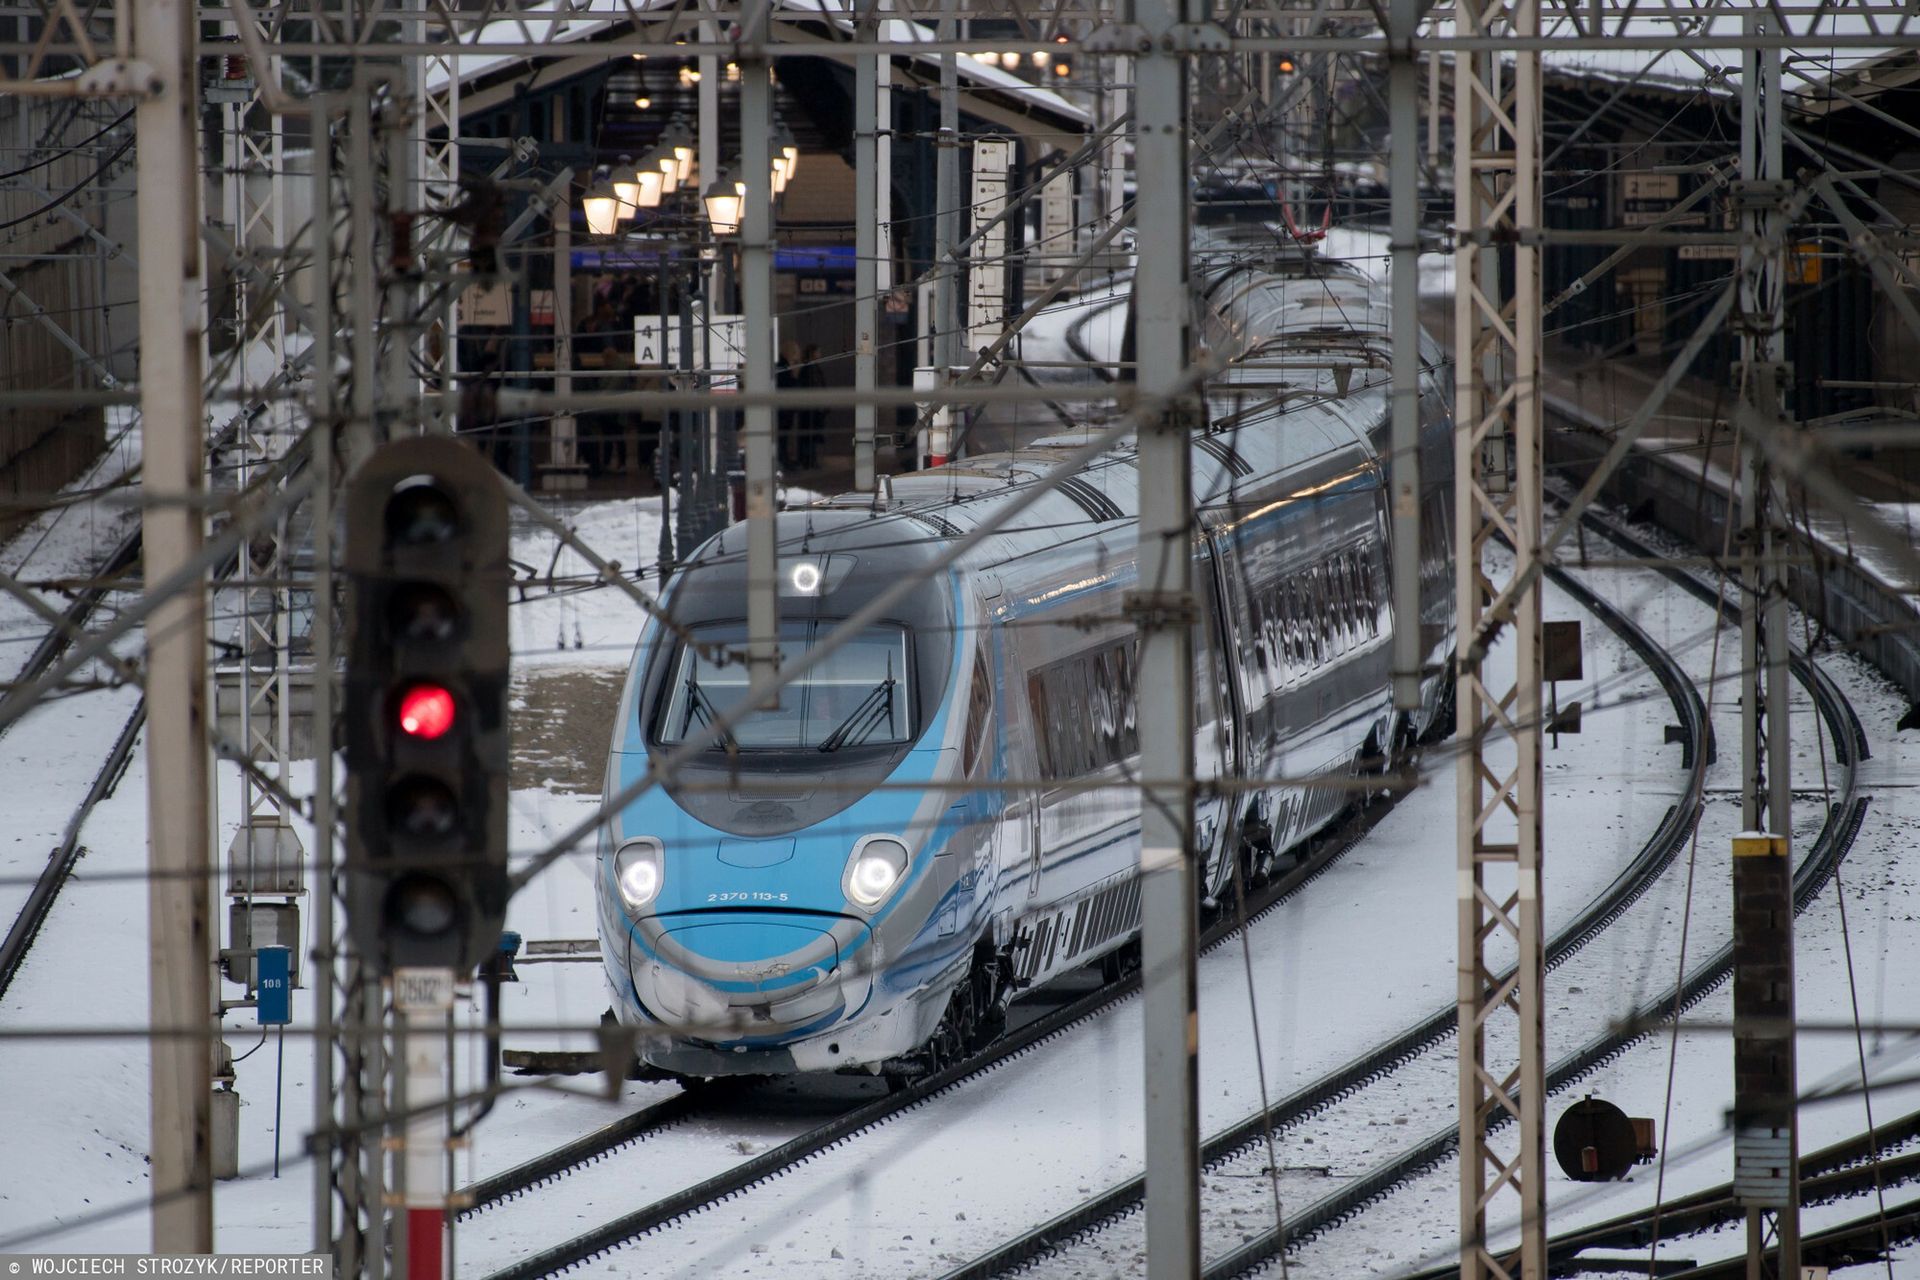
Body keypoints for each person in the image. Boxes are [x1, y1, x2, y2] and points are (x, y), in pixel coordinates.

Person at [798, 344, 827, 469]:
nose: (819, 354)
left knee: (812, 436)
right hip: (810, 409)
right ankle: (808, 461)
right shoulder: (809, 369)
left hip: (814, 409)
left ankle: (811, 460)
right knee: (809, 436)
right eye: (818, 352)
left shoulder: (813, 368)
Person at [776, 343, 799, 470]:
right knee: (782, 438)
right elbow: (788, 385)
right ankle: (783, 461)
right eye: (795, 353)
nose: (796, 356)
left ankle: (784, 459)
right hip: (783, 410)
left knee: (783, 438)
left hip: (785, 410)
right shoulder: (783, 366)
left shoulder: (785, 365)